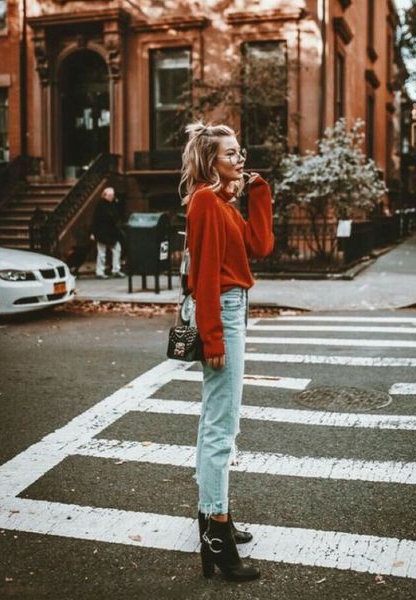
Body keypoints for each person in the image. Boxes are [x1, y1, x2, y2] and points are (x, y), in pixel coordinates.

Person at [180, 122, 274, 582]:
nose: (240, 159)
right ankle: (216, 530)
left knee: (216, 423)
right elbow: (203, 277)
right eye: (231, 154)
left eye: (241, 151)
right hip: (222, 311)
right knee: (222, 427)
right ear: (210, 160)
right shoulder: (203, 201)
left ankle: (215, 516)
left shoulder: (221, 203)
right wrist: (214, 338)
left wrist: (259, 193)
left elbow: (261, 245)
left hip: (235, 308)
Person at [90, 187, 125, 279]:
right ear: (104, 195)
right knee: (102, 253)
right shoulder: (100, 205)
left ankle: (116, 269)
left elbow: (118, 215)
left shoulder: (113, 204)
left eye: (112, 195)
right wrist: (93, 232)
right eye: (110, 195)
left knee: (117, 249)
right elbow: (95, 219)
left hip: (111, 231)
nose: (111, 197)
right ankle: (100, 271)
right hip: (102, 232)